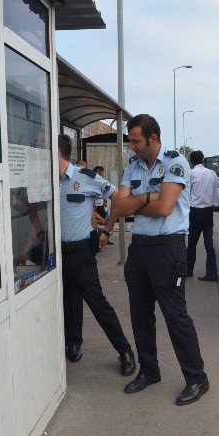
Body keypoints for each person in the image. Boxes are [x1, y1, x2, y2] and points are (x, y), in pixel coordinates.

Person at [108, 114, 209, 406]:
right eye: (130, 141)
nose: (131, 146)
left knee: (176, 317)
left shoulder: (176, 163)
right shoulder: (133, 165)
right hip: (139, 250)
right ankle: (149, 370)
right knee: (140, 315)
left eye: (136, 141)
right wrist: (144, 199)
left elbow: (165, 207)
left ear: (152, 139)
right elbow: (118, 204)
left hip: (167, 249)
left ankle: (197, 378)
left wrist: (136, 202)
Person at [57, 134, 135, 376]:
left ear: (55, 151)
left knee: (97, 303)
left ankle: (125, 351)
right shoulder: (45, 181)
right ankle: (73, 343)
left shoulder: (85, 178)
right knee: (68, 301)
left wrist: (106, 230)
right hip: (56, 253)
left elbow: (120, 200)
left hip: (80, 251)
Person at [186, 150, 219, 281]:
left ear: (191, 161)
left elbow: (187, 193)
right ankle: (212, 273)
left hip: (194, 212)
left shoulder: (191, 174)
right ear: (203, 160)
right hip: (208, 212)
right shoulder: (212, 174)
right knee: (209, 244)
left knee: (192, 243)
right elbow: (216, 193)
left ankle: (188, 271)